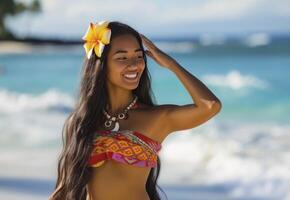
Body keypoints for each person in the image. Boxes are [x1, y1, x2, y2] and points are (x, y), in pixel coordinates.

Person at [49, 21, 221, 200]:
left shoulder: (157, 119)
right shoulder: (80, 122)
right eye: (122, 58)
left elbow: (210, 106)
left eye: (139, 57)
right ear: (101, 64)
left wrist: (170, 64)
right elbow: (64, 187)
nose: (134, 65)